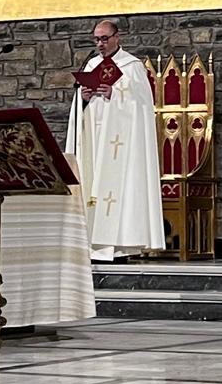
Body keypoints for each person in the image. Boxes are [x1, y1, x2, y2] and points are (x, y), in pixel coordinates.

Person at [65, 19, 164, 261]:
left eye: (104, 38)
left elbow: (142, 105)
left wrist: (115, 93)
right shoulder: (91, 65)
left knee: (117, 189)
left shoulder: (131, 66)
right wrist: (84, 97)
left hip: (121, 144)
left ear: (117, 37)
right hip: (95, 139)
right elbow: (80, 108)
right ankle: (91, 243)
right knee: (92, 183)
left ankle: (121, 245)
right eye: (96, 39)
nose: (100, 44)